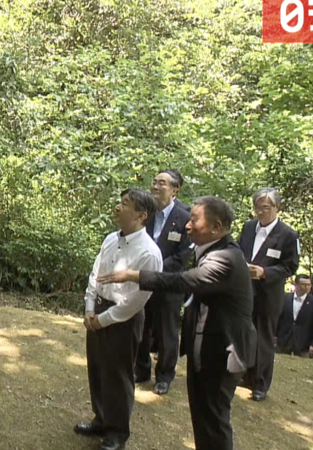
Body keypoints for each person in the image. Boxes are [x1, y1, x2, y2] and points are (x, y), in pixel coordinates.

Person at [98, 196, 255, 450]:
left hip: (224, 352)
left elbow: (183, 281)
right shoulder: (212, 250)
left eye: (194, 220)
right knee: (204, 417)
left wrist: (133, 275)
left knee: (213, 419)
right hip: (208, 349)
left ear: (216, 227)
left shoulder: (225, 258)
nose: (187, 226)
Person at [75, 189, 162, 450]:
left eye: (125, 204)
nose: (117, 207)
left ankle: (117, 433)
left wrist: (106, 319)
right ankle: (101, 418)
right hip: (98, 310)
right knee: (98, 368)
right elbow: (95, 274)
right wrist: (90, 307)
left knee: (119, 374)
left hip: (124, 318)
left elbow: (137, 300)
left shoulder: (149, 253)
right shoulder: (111, 239)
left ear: (141, 215)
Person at [237, 187, 299, 401]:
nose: (260, 212)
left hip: (268, 293)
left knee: (263, 337)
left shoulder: (288, 235)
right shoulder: (248, 227)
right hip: (245, 290)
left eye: (265, 208)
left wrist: (265, 272)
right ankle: (245, 374)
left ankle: (261, 384)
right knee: (245, 332)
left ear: (277, 207)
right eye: (257, 207)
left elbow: (290, 266)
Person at [135, 170, 192, 395]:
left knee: (167, 331)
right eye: (155, 182)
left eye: (162, 183)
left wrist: (156, 271)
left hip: (169, 283)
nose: (156, 186)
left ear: (175, 190)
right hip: (145, 282)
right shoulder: (146, 213)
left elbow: (182, 257)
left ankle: (165, 376)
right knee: (141, 326)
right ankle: (141, 370)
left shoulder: (185, 217)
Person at [275, 274, 313, 357]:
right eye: (304, 284)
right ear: (296, 285)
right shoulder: (285, 298)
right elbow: (278, 318)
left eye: (308, 285)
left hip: (303, 343)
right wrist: (274, 334)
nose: (307, 287)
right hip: (283, 340)